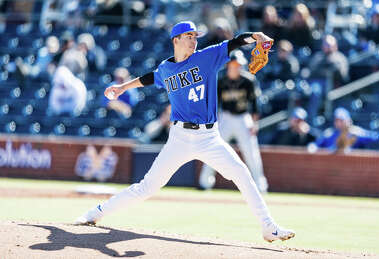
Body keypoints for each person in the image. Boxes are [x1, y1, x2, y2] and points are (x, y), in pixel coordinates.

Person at [75, 21, 295, 243]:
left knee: (242, 174)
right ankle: (95, 212)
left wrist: (255, 36)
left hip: (209, 138)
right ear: (176, 40)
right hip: (179, 139)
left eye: (195, 36)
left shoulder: (206, 57)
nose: (194, 40)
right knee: (146, 187)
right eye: (188, 36)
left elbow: (234, 42)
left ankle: (268, 227)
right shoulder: (166, 68)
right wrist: (122, 88)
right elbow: (150, 77)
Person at [198, 50, 268, 193]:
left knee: (251, 152)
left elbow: (255, 104)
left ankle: (260, 186)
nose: (237, 67)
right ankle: (205, 182)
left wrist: (255, 124)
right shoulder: (220, 81)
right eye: (234, 64)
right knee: (213, 149)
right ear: (228, 65)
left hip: (243, 118)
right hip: (226, 117)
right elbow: (214, 104)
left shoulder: (249, 81)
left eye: (239, 64)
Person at [308, 107, 379, 153]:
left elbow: (372, 136)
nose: (339, 123)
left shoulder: (355, 132)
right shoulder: (329, 133)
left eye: (341, 120)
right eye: (337, 120)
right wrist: (312, 147)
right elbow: (316, 145)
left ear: (348, 120)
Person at [306, 34, 349, 124]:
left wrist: (331, 66)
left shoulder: (340, 58)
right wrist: (326, 69)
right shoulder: (318, 57)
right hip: (318, 84)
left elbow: (343, 75)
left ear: (335, 46)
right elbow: (311, 72)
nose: (328, 47)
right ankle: (311, 119)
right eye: (326, 44)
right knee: (315, 89)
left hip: (335, 85)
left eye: (330, 45)